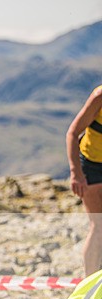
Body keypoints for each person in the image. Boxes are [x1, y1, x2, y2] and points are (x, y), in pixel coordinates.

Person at [67, 84, 102, 276]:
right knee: (99, 226)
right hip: (92, 167)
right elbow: (72, 133)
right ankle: (90, 285)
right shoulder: (100, 96)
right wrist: (76, 174)